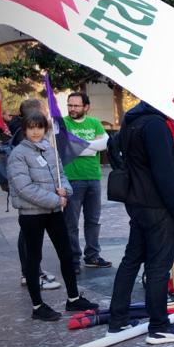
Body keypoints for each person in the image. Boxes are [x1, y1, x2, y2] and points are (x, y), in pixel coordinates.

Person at [107, 101, 174, 344]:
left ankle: (118, 320)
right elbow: (163, 173)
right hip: (157, 206)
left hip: (136, 202)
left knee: (131, 260)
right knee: (158, 267)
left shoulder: (130, 120)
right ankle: (159, 326)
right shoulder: (155, 124)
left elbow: (118, 152)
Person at [7, 111, 99, 321]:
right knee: (34, 259)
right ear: (25, 129)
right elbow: (24, 188)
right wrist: (56, 199)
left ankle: (73, 298)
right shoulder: (18, 154)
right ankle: (38, 306)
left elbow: (62, 176)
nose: (36, 132)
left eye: (40, 127)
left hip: (54, 212)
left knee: (66, 254)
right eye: (32, 128)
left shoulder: (50, 148)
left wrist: (65, 191)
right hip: (32, 215)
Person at [10, 99, 61, 291]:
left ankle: (33, 272)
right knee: (28, 239)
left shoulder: (32, 137)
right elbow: (25, 185)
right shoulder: (22, 144)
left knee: (28, 239)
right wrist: (56, 199)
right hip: (30, 204)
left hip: (39, 199)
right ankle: (30, 274)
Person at [62, 92, 111, 271]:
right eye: (70, 105)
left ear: (86, 107)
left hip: (94, 178)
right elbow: (66, 147)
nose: (72, 109)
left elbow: (105, 144)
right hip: (71, 179)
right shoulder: (63, 123)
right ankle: (74, 260)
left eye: (76, 105)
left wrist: (80, 146)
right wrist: (91, 146)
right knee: (71, 223)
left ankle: (92, 256)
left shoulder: (95, 123)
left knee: (93, 220)